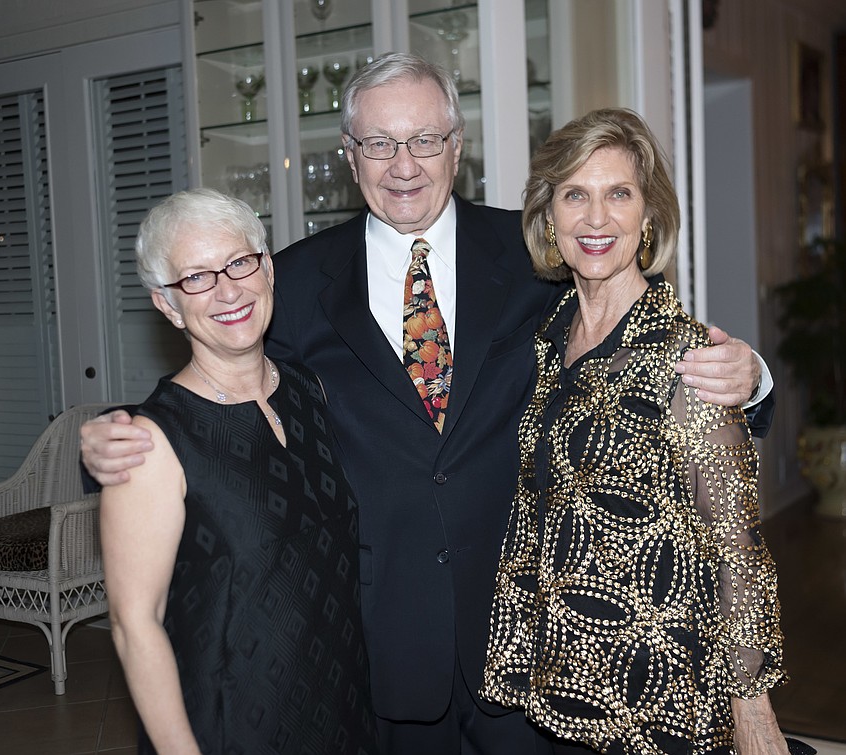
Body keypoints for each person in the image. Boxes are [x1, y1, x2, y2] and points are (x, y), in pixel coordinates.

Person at [83, 55, 772, 754]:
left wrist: (753, 376)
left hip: (525, 646)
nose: (403, 163)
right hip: (379, 646)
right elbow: (224, 384)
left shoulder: (538, 251)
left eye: (424, 139)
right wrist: (113, 439)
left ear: (457, 146)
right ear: (351, 157)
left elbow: (635, 352)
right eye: (379, 142)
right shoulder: (290, 282)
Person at [480, 108, 788, 754]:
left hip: (659, 707)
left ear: (648, 214)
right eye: (576, 195)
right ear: (548, 215)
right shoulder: (547, 338)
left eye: (618, 193)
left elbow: (737, 545)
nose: (596, 220)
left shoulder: (686, 357)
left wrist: (753, 710)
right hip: (559, 698)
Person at [99, 189, 378, 755]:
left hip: (342, 711)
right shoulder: (151, 443)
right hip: (231, 724)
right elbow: (135, 626)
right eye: (195, 278)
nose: (228, 289)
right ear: (168, 305)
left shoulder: (307, 390)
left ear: (267, 268)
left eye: (238, 262)